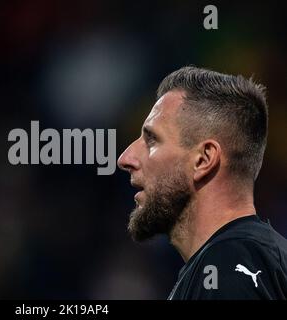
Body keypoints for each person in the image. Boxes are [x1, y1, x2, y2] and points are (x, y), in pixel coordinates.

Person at [117, 66, 287, 299]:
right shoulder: (247, 259)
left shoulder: (228, 265)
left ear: (204, 159)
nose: (125, 158)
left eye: (152, 140)